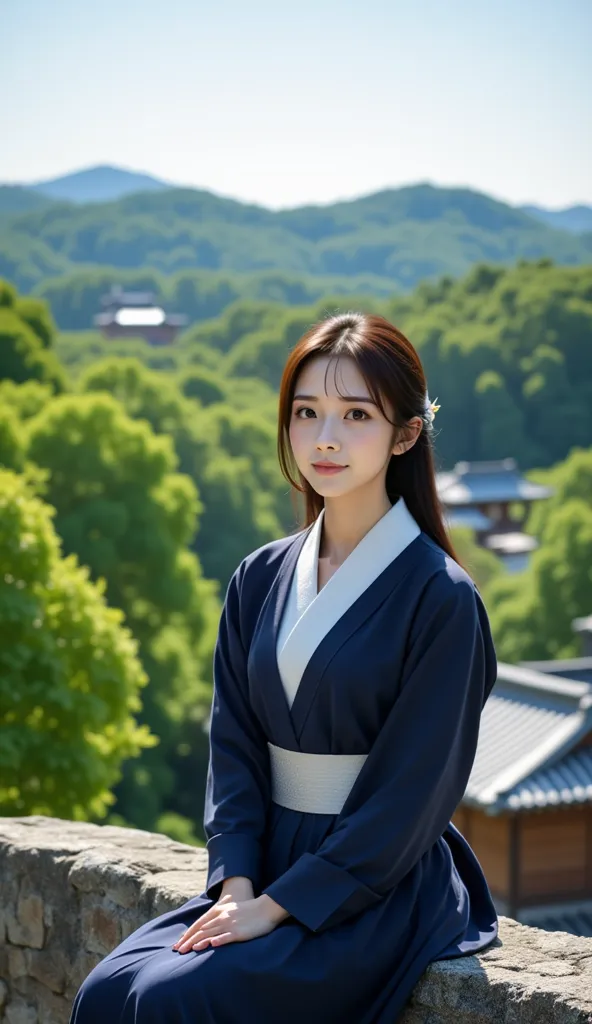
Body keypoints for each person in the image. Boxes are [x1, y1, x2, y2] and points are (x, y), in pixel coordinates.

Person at [70, 312, 498, 1024]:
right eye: (306, 412)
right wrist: (236, 882)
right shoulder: (259, 576)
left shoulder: (442, 599)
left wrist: (281, 905)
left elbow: (411, 796)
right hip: (262, 864)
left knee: (172, 1000)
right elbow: (234, 747)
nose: (324, 437)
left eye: (355, 413)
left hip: (371, 885)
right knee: (107, 993)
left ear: (406, 433)